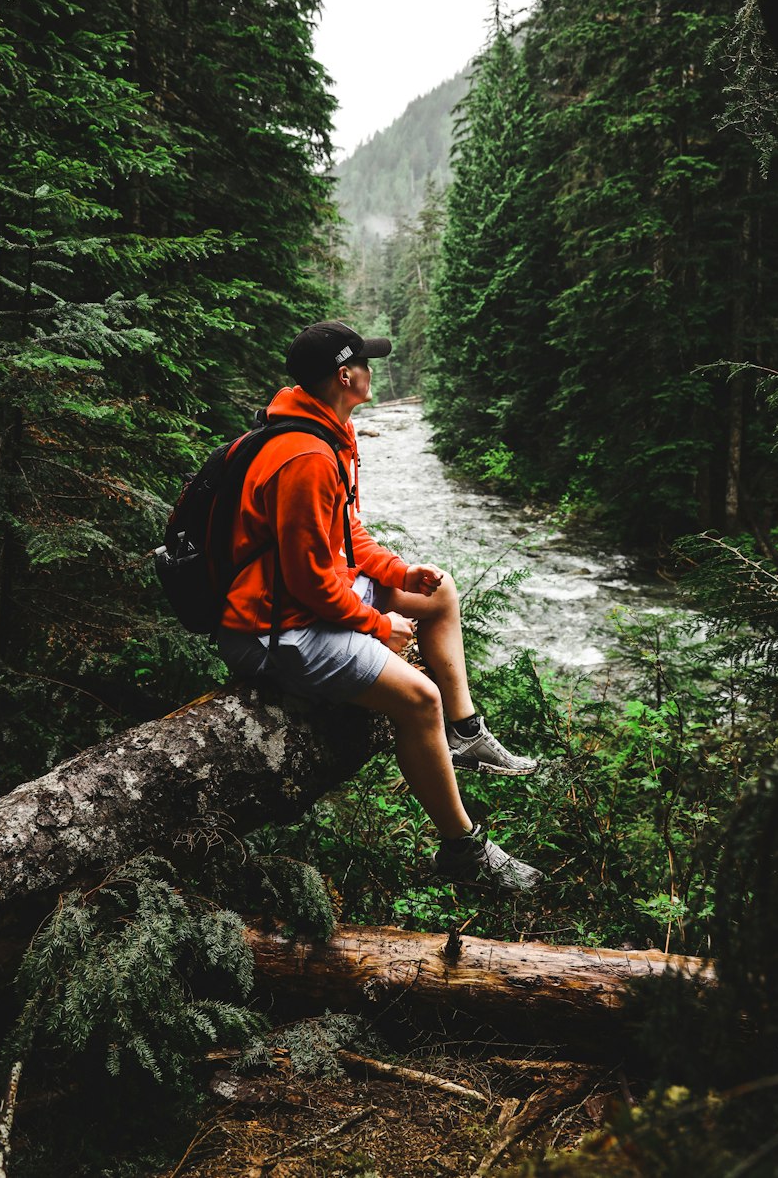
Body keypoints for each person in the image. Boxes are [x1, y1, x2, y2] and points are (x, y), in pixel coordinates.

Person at [217, 320, 541, 894]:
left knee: (437, 592)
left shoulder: (328, 432)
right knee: (419, 699)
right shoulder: (305, 456)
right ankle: (464, 851)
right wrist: (376, 625)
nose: (372, 368)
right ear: (346, 376)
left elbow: (346, 537)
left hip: (302, 604)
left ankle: (464, 735)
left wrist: (398, 574)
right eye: (365, 361)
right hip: (276, 630)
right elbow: (309, 583)